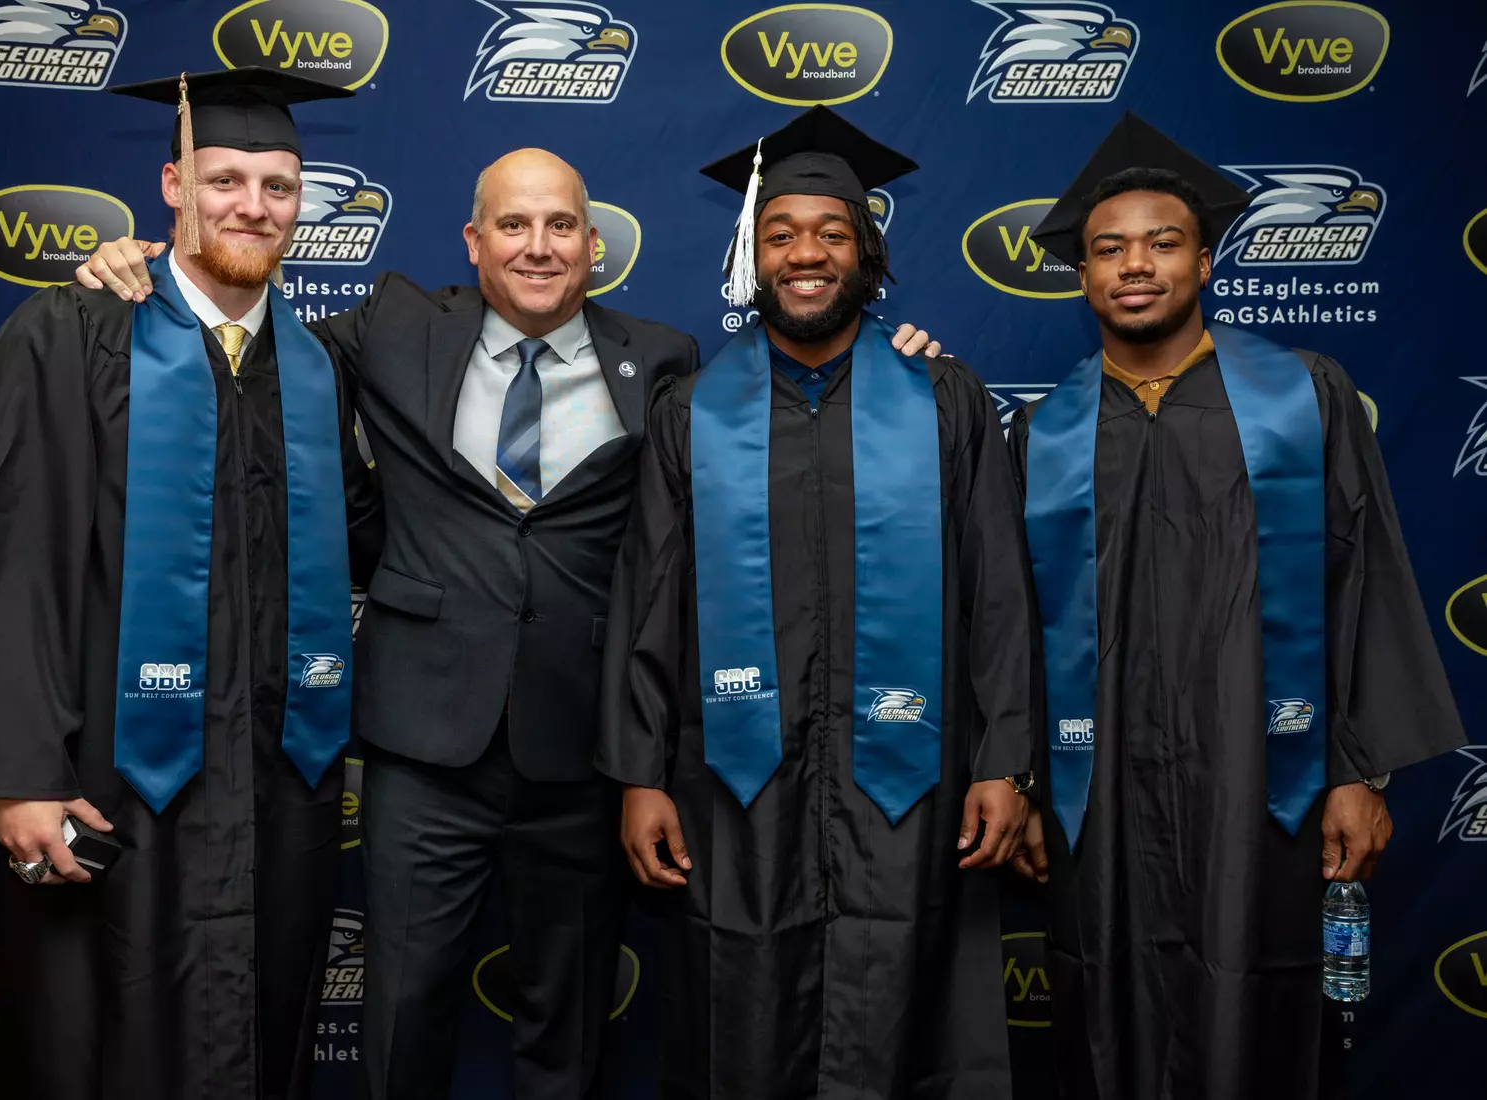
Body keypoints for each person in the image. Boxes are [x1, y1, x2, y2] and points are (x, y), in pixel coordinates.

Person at [78, 143, 943, 1099]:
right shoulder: (394, 329)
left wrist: (891, 359)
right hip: (422, 748)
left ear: (595, 243)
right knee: (401, 1018)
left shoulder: (665, 364)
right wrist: (147, 271)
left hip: (580, 753)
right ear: (474, 241)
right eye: (514, 225)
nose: (539, 247)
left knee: (566, 1028)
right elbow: (247, 339)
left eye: (561, 224)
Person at [0, 67, 383, 1100]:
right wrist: (14, 773)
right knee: (95, 1033)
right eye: (224, 178)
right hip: (106, 778)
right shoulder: (73, 336)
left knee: (263, 1020)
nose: (251, 204)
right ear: (173, 185)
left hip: (278, 781)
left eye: (278, 185)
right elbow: (4, 558)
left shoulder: (317, 368)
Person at [1006, 112, 1468, 1100]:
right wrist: (1030, 780)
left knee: (1256, 996)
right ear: (1082, 274)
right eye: (1109, 248)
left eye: (1163, 243)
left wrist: (1357, 769)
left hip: (1262, 778)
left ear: (1207, 262)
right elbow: (1010, 625)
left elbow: (1365, 580)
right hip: (1104, 790)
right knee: (1105, 999)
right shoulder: (1046, 430)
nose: (1137, 265)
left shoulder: (1302, 395)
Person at [598, 105, 1039, 1099]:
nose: (806, 253)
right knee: (740, 1011)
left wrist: (1005, 757)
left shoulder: (943, 400)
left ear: (867, 251)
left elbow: (1001, 593)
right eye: (781, 233)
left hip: (911, 778)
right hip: (732, 779)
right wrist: (639, 772)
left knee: (905, 1007)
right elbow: (648, 596)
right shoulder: (692, 413)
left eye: (831, 232)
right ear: (753, 256)